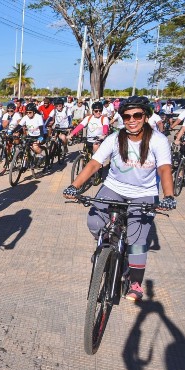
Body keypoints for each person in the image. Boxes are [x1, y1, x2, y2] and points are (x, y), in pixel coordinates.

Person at [63, 96, 176, 301]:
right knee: (94, 221)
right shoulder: (115, 138)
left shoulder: (158, 140)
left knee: (137, 241)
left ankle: (134, 281)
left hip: (143, 193)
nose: (131, 120)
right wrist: (74, 186)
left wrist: (168, 196)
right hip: (114, 187)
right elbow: (95, 163)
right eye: (126, 116)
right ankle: (110, 248)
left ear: (145, 117)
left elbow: (164, 168)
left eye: (137, 115)